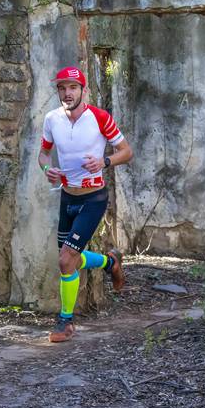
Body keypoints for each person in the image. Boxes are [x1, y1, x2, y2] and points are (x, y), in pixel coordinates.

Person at [38, 66, 133, 342]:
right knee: (72, 260)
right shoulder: (51, 119)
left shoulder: (100, 117)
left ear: (83, 90)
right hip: (68, 197)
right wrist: (47, 170)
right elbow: (43, 155)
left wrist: (104, 161)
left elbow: (126, 151)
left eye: (72, 87)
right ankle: (109, 262)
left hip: (93, 198)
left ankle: (66, 323)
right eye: (62, 88)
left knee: (65, 260)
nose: (67, 93)